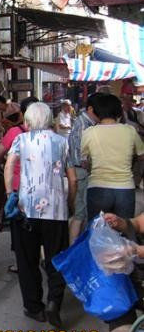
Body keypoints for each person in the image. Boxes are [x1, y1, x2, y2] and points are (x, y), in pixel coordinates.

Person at [4, 102, 76, 329]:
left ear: (27, 121)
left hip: (26, 209)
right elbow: (72, 179)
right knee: (57, 258)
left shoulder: (21, 140)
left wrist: (10, 194)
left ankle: (34, 306)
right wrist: (69, 203)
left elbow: (9, 166)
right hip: (56, 211)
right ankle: (54, 301)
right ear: (50, 121)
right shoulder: (62, 142)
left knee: (27, 261)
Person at [82, 94, 144, 221]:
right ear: (118, 111)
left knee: (97, 232)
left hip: (97, 187)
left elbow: (84, 162)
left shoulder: (89, 132)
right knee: (123, 231)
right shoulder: (130, 130)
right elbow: (142, 155)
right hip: (125, 188)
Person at [0, 96, 38, 272]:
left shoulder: (15, 133)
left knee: (20, 229)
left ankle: (23, 263)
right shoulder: (51, 134)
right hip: (42, 189)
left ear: (22, 113)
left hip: (18, 188)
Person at [66, 93, 102, 242]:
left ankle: (75, 248)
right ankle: (76, 249)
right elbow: (82, 157)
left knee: (81, 213)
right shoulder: (84, 124)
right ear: (91, 109)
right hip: (82, 171)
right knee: (82, 213)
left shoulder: (84, 123)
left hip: (80, 171)